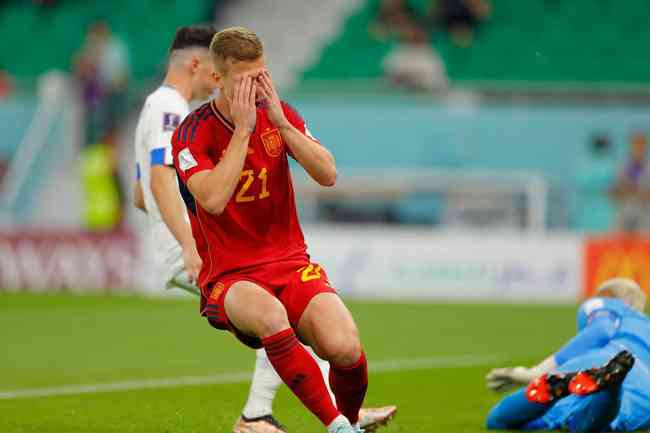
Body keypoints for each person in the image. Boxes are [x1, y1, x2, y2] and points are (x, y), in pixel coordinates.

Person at [136, 26, 395, 433]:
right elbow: (214, 199)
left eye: (263, 76)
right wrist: (242, 130)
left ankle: (347, 420)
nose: (258, 88)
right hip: (229, 276)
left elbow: (328, 174)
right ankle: (336, 427)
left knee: (344, 345)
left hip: (290, 263)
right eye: (246, 80)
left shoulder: (282, 114)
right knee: (273, 317)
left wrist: (282, 124)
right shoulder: (192, 132)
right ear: (218, 79)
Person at [485, 278, 650, 431]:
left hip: (582, 367)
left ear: (606, 295)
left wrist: (535, 372)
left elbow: (601, 330)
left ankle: (554, 385)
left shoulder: (607, 305)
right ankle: (612, 384)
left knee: (497, 421)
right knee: (590, 423)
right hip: (639, 378)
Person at [610, 132, 650, 232]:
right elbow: (615, 192)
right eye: (635, 144)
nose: (638, 148)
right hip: (624, 212)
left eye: (641, 144)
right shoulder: (622, 167)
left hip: (644, 214)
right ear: (630, 146)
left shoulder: (647, 167)